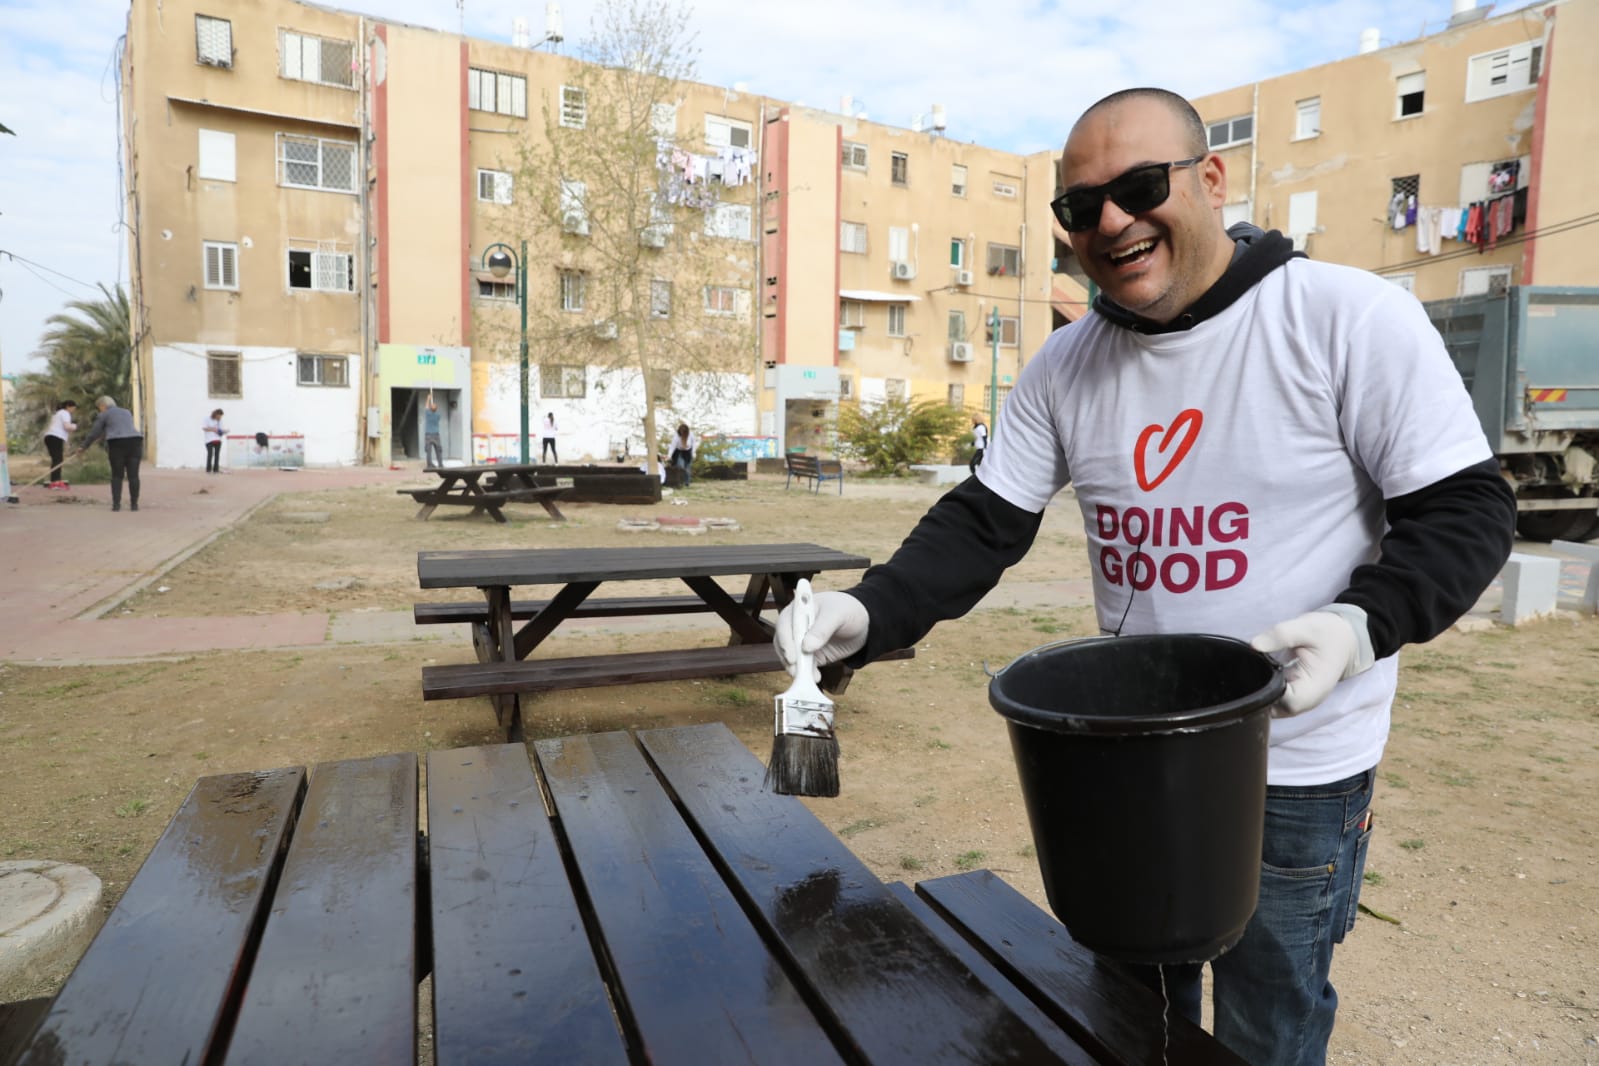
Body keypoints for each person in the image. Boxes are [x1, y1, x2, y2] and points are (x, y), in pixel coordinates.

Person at [775, 88, 1516, 1066]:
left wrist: (1355, 626)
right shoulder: (1064, 367)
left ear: (1210, 179)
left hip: (1291, 770)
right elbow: (985, 522)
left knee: (1265, 1025)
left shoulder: (1347, 318)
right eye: (1081, 207)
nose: (1113, 220)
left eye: (1138, 187)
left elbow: (1469, 511)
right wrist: (867, 611)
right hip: (1119, 760)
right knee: (1124, 1017)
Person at [78, 395, 147, 512]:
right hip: (135, 442)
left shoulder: (104, 414)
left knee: (117, 475)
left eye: (99, 407)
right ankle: (134, 505)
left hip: (117, 444)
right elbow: (121, 427)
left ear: (103, 406)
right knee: (133, 476)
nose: (99, 410)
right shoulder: (126, 412)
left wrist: (83, 446)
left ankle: (116, 505)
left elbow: (94, 432)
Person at [43, 400, 77, 489]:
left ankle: (54, 479)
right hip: (55, 437)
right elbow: (67, 427)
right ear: (68, 406)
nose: (73, 410)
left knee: (56, 459)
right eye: (73, 408)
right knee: (58, 459)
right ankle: (55, 481)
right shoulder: (65, 413)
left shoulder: (57, 414)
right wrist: (75, 426)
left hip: (49, 437)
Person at [202, 408, 226, 473]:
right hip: (209, 440)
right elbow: (204, 428)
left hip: (218, 440)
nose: (220, 417)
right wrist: (213, 429)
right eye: (219, 416)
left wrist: (224, 431)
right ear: (216, 414)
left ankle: (216, 469)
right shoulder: (207, 419)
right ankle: (208, 469)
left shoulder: (219, 421)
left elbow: (221, 429)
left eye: (221, 416)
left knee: (217, 455)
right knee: (210, 454)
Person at [423, 394, 444, 468]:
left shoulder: (428, 414)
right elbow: (429, 408)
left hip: (428, 435)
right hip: (436, 435)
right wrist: (431, 405)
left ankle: (429, 465)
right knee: (438, 451)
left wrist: (428, 398)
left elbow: (426, 407)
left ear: (430, 409)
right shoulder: (438, 415)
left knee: (428, 451)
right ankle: (440, 464)